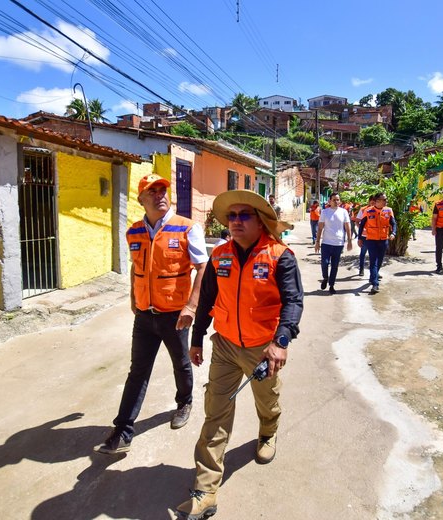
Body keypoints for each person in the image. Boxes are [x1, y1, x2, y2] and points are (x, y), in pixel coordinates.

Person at [178, 190, 303, 520]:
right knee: (215, 411)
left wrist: (281, 341)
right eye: (231, 216)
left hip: (263, 348)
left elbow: (293, 302)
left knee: (267, 399)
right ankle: (205, 490)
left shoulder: (280, 256)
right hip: (225, 346)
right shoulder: (219, 256)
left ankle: (268, 430)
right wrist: (197, 339)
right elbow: (206, 301)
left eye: (242, 215)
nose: (234, 221)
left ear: (260, 220)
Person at [96, 174, 208, 455]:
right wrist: (134, 298)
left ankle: (184, 402)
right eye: (152, 191)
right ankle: (122, 431)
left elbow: (203, 268)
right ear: (141, 199)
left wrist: (191, 307)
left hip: (175, 314)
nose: (160, 194)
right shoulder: (133, 231)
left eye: (162, 190)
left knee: (181, 364)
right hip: (145, 315)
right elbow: (137, 268)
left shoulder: (186, 228)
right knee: (138, 371)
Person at [314, 192, 353, 294]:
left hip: (338, 243)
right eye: (334, 200)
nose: (336, 202)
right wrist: (317, 241)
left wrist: (349, 240)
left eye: (338, 200)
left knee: (335, 266)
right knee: (325, 263)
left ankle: (331, 285)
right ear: (329, 201)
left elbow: (348, 227)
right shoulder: (325, 212)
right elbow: (320, 227)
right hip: (326, 243)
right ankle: (325, 277)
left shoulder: (344, 212)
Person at [357, 192, 396, 295]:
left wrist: (393, 233)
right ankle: (375, 284)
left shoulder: (388, 210)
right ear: (377, 201)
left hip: (383, 240)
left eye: (385, 199)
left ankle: (372, 277)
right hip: (371, 240)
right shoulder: (368, 211)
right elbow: (361, 225)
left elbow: (393, 223)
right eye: (384, 199)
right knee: (373, 261)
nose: (385, 201)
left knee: (379, 261)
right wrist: (360, 238)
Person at [354, 195, 376, 277]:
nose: (373, 202)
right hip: (364, 236)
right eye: (372, 201)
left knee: (373, 255)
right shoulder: (363, 209)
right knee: (363, 253)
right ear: (369, 201)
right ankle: (361, 269)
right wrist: (361, 228)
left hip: (374, 236)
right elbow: (357, 221)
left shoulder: (379, 210)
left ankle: (374, 272)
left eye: (375, 201)